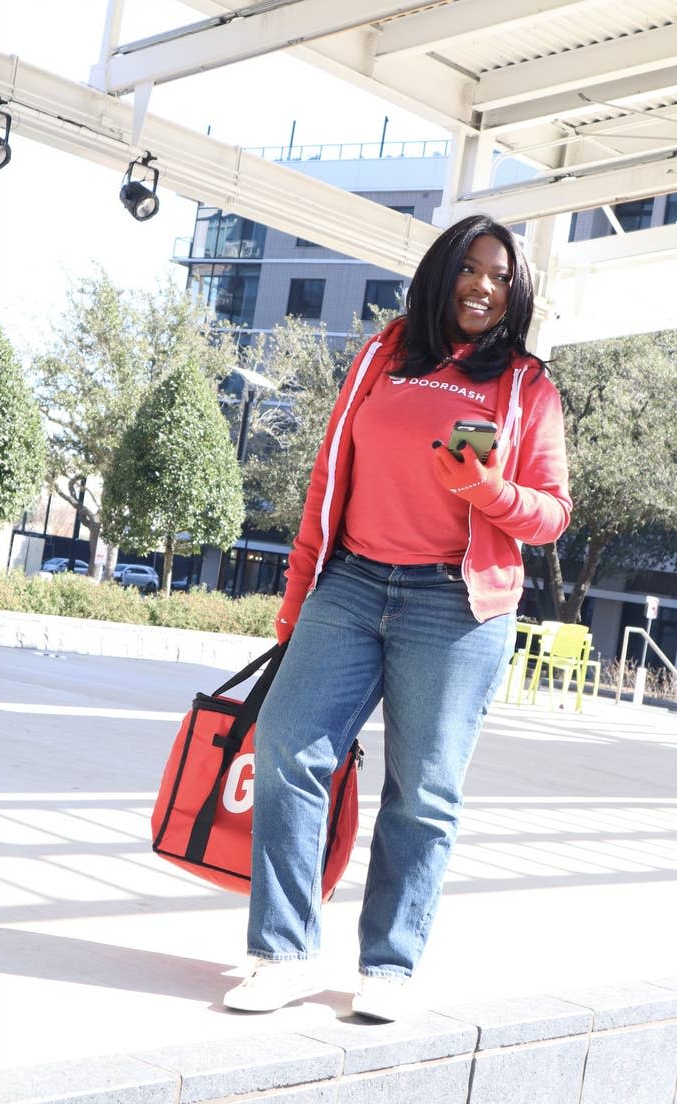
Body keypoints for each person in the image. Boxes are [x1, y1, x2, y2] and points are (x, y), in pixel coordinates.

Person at [223, 214, 572, 1021]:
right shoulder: (383, 355)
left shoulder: (527, 385)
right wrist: (297, 596)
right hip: (348, 584)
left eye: (501, 276)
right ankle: (283, 953)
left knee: (423, 792)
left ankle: (389, 966)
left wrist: (485, 490)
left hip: (457, 606)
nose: (484, 285)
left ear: (515, 292)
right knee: (286, 748)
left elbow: (552, 514)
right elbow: (326, 475)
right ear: (443, 271)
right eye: (471, 269)